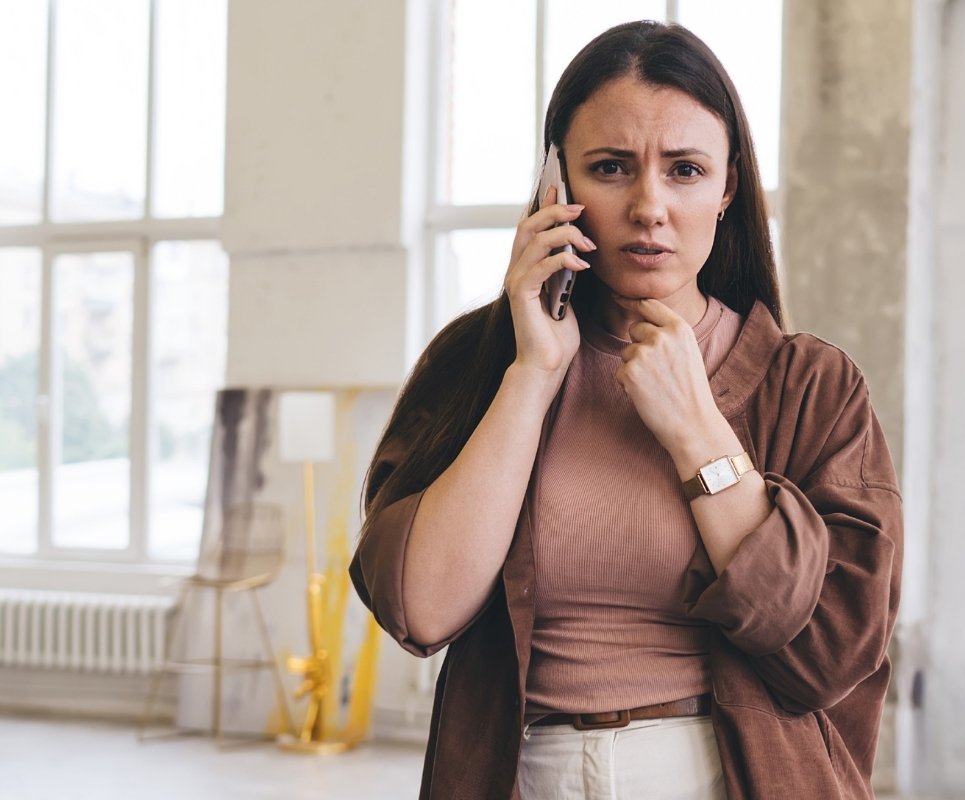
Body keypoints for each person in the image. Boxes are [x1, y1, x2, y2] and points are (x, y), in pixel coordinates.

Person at [351, 20, 902, 800]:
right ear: (557, 185)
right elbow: (423, 608)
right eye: (610, 168)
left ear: (728, 187)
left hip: (726, 776)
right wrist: (533, 372)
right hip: (524, 776)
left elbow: (831, 650)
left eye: (685, 169)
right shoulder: (472, 364)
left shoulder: (813, 386)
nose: (649, 205)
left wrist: (696, 430)